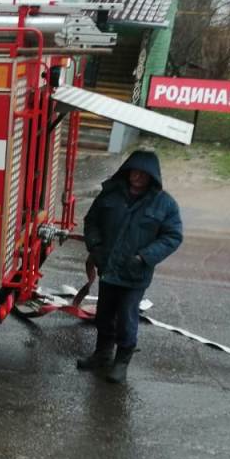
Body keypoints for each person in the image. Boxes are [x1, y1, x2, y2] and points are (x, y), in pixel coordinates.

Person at [77, 150, 183, 384]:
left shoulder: (164, 204)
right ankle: (102, 354)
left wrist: (144, 257)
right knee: (104, 315)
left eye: (144, 174)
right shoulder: (110, 195)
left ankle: (121, 362)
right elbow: (91, 221)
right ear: (127, 171)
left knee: (126, 318)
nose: (138, 177)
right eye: (134, 172)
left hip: (135, 275)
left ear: (152, 177)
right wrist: (95, 246)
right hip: (108, 270)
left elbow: (173, 236)